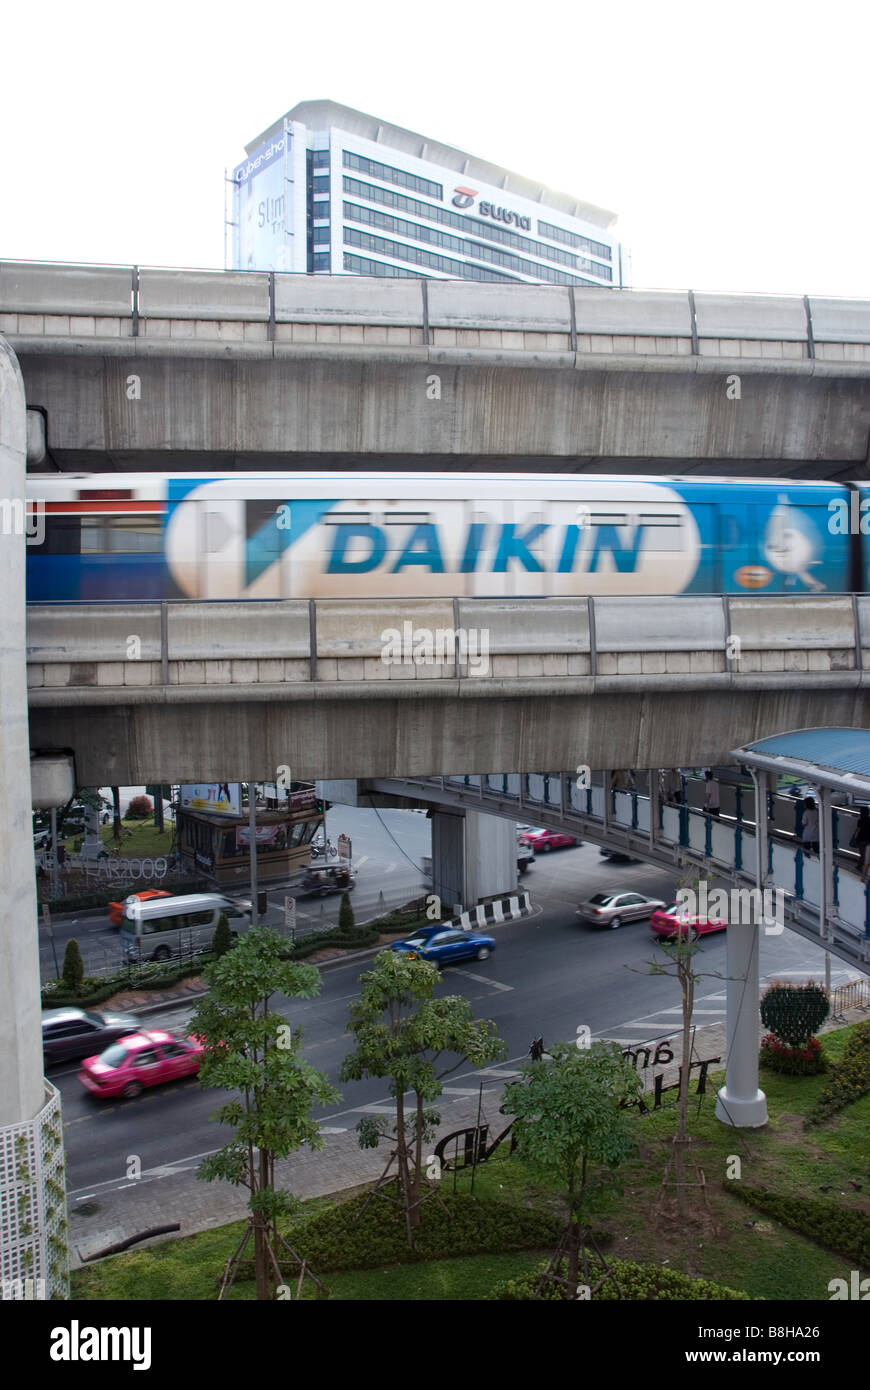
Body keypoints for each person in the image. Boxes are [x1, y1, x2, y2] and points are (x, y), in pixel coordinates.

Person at [852, 806, 870, 878]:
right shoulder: (869, 820)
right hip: (868, 839)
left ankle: (860, 867)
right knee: (866, 855)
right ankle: (862, 867)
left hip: (861, 839)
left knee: (862, 854)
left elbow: (858, 830)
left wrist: (854, 836)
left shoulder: (860, 820)